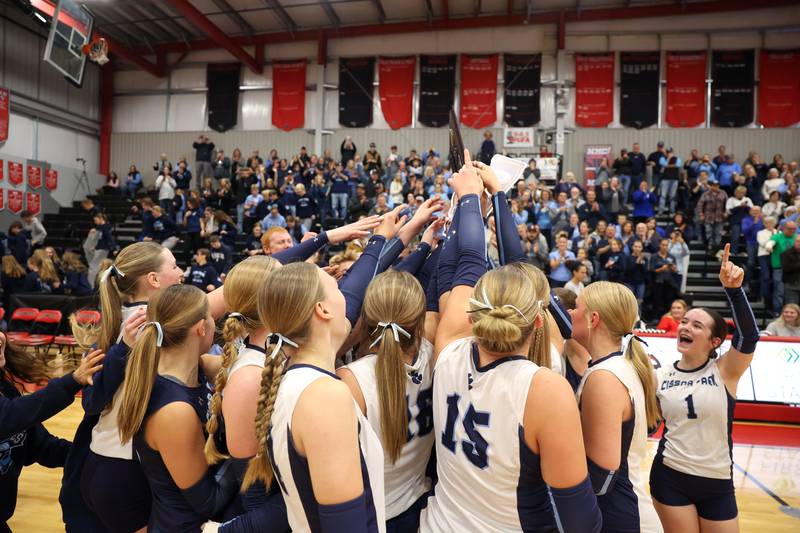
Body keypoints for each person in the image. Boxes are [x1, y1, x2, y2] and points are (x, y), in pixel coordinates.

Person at [420, 150, 601, 532]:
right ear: (539, 318)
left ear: (471, 314)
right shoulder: (546, 385)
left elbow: (462, 261)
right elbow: (581, 520)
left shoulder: (448, 351)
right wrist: (489, 196)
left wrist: (467, 200)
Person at [239, 260, 389, 531]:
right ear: (322, 309)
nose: (346, 295)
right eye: (336, 287)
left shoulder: (297, 382)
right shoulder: (323, 396)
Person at [68, 242, 185, 533]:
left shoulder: (119, 319)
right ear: (154, 280)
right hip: (127, 470)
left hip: (102, 463)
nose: (181, 272)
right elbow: (92, 401)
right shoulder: (150, 325)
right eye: (173, 266)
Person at [650, 245, 758, 533]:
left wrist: (734, 290)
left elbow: (749, 336)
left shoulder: (725, 370)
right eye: (684, 322)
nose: (686, 326)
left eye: (697, 325)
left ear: (714, 341)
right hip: (670, 475)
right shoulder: (661, 375)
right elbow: (649, 426)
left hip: (717, 481)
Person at [116, 284, 238, 531]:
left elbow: (236, 367)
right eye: (212, 317)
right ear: (202, 328)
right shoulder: (174, 412)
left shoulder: (192, 366)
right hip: (184, 525)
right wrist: (248, 448)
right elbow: (208, 501)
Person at [338, 270, 434, 532]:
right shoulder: (434, 353)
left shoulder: (350, 380)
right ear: (420, 319)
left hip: (374, 515)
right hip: (421, 503)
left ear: (365, 320)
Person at [573, 282, 663, 533]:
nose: (570, 313)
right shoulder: (619, 365)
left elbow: (602, 477)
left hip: (621, 515)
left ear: (593, 318)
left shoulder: (604, 378)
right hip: (625, 508)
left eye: (576, 307)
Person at [1, 333, 105, 532]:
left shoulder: (6, 390)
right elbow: (10, 416)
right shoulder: (9, 410)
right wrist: (73, 380)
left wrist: (92, 456)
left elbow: (40, 446)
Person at [767, 220, 797, 315]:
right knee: (779, 291)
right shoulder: (777, 236)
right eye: (789, 229)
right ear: (783, 228)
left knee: (792, 292)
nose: (792, 231)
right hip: (779, 268)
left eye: (794, 229)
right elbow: (770, 243)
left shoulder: (797, 238)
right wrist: (769, 247)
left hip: (793, 270)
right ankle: (777, 312)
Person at [696, 179, 728, 253]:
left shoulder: (723, 193)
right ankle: (710, 247)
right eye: (714, 185)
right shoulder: (705, 194)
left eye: (717, 185)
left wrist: (726, 212)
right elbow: (700, 205)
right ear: (711, 186)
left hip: (719, 217)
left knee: (718, 233)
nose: (715, 187)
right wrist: (701, 214)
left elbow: (727, 204)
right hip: (708, 217)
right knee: (709, 232)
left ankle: (716, 247)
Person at [780, 236, 800, 305]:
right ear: (794, 242)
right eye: (798, 241)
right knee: (791, 307)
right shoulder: (786, 254)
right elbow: (786, 268)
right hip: (791, 285)